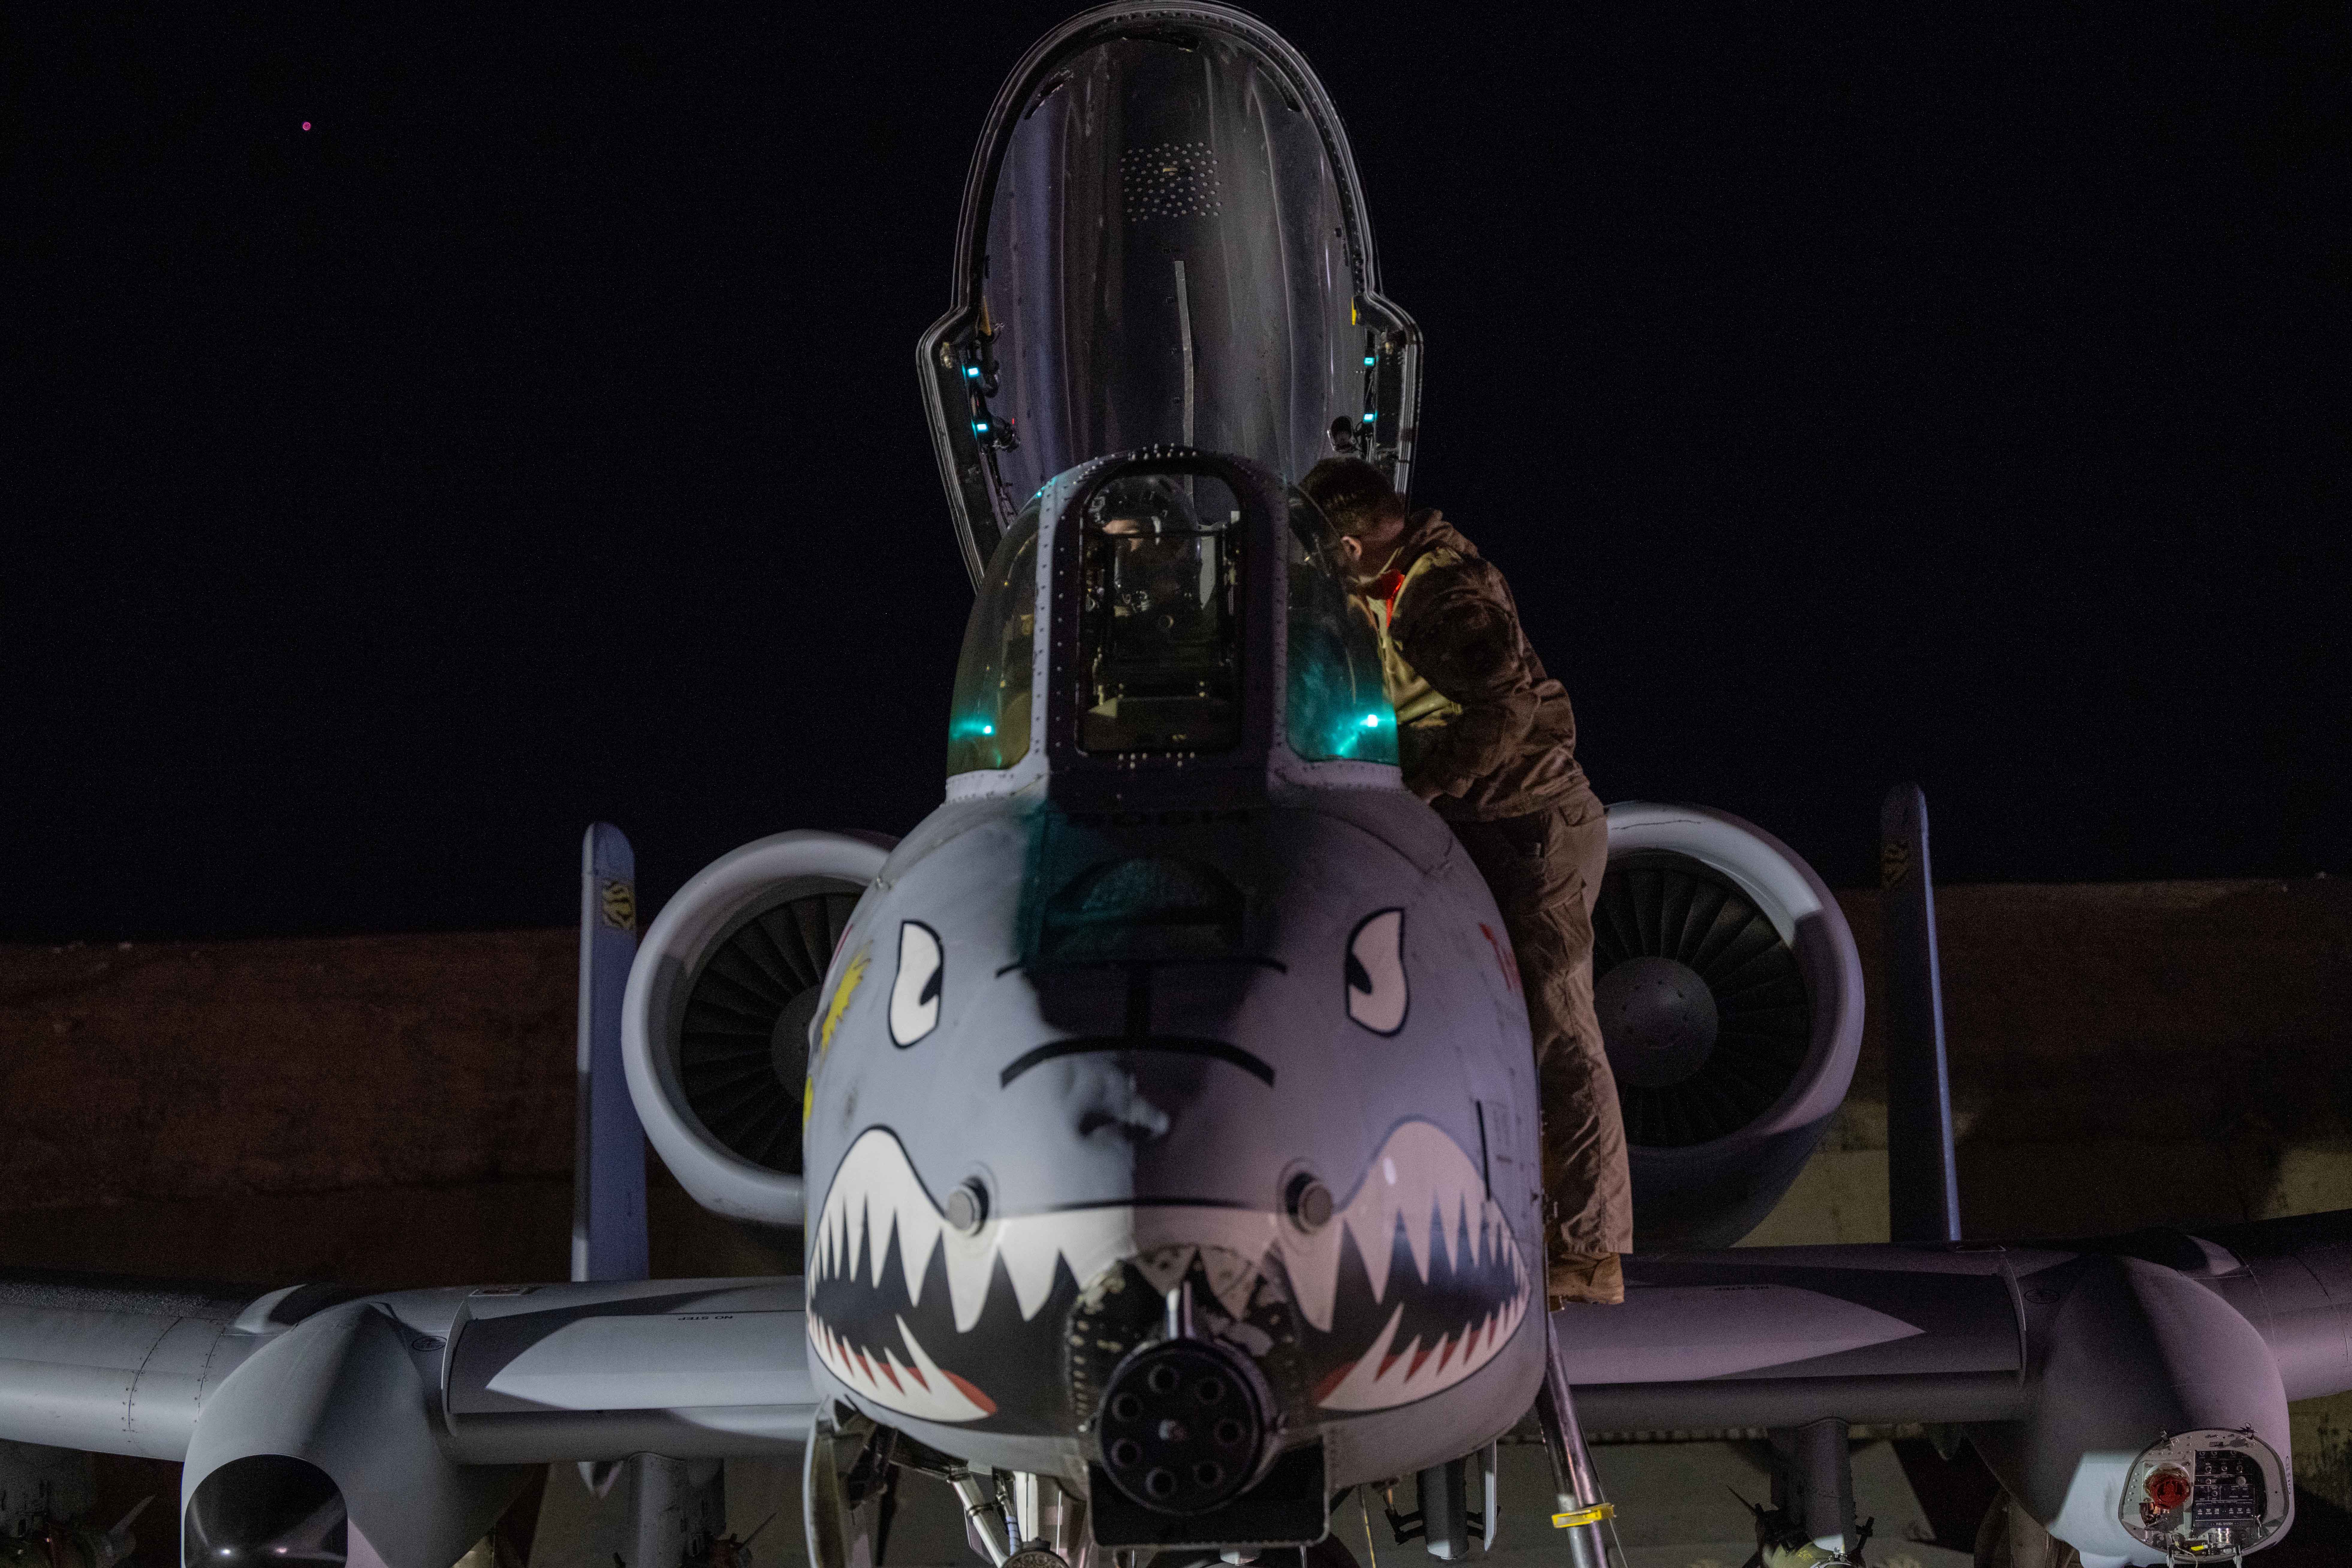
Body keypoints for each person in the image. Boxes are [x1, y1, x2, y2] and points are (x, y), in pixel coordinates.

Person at [1301, 456, 1631, 1306]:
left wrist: (1420, 790)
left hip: (1533, 827)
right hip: (1481, 828)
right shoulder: (1386, 586)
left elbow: (1503, 711)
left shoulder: (1444, 595)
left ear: (1347, 542)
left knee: (1560, 1025)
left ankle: (1591, 1249)